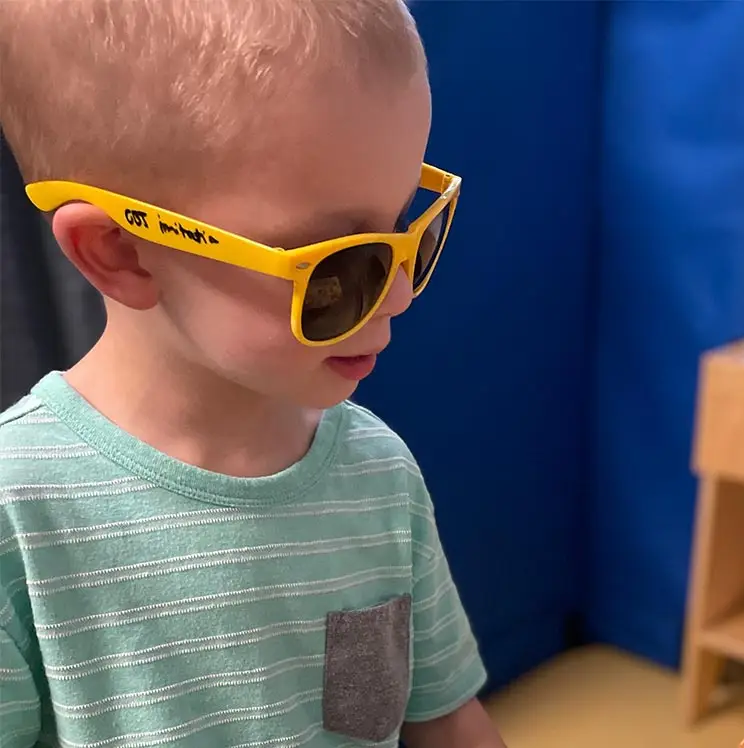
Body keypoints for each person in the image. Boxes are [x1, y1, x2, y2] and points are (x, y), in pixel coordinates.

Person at [0, 1, 506, 746]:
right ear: (120, 251)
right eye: (341, 266)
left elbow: (436, 719)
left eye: (409, 227)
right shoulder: (22, 512)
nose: (399, 295)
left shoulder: (377, 473)